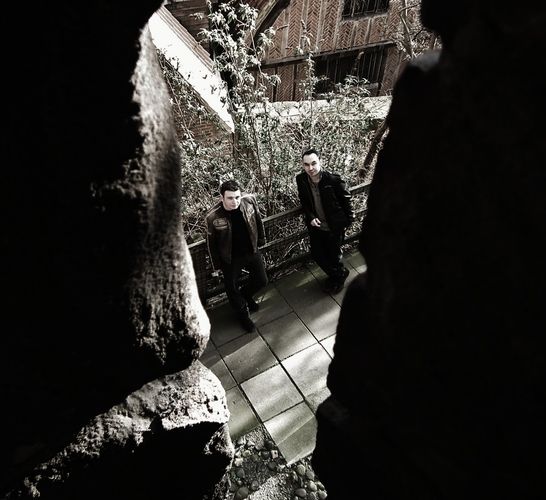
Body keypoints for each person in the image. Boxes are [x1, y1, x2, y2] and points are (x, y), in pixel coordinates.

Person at [205, 179, 268, 332]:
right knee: (232, 289)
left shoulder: (249, 201)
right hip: (230, 258)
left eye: (237, 197)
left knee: (262, 280)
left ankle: (245, 295)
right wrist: (216, 266)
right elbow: (211, 244)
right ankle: (243, 315)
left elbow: (258, 220)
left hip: (251, 250)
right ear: (222, 198)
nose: (235, 201)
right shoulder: (213, 216)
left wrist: (261, 240)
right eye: (230, 198)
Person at [296, 148, 354, 294]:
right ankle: (340, 274)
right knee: (317, 254)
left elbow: (346, 200)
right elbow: (304, 202)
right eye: (306, 164)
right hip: (317, 227)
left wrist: (347, 222)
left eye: (313, 163)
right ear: (303, 165)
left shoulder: (333, 180)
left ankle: (337, 280)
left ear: (320, 161)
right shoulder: (301, 180)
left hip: (334, 227)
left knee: (334, 257)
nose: (310, 168)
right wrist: (310, 217)